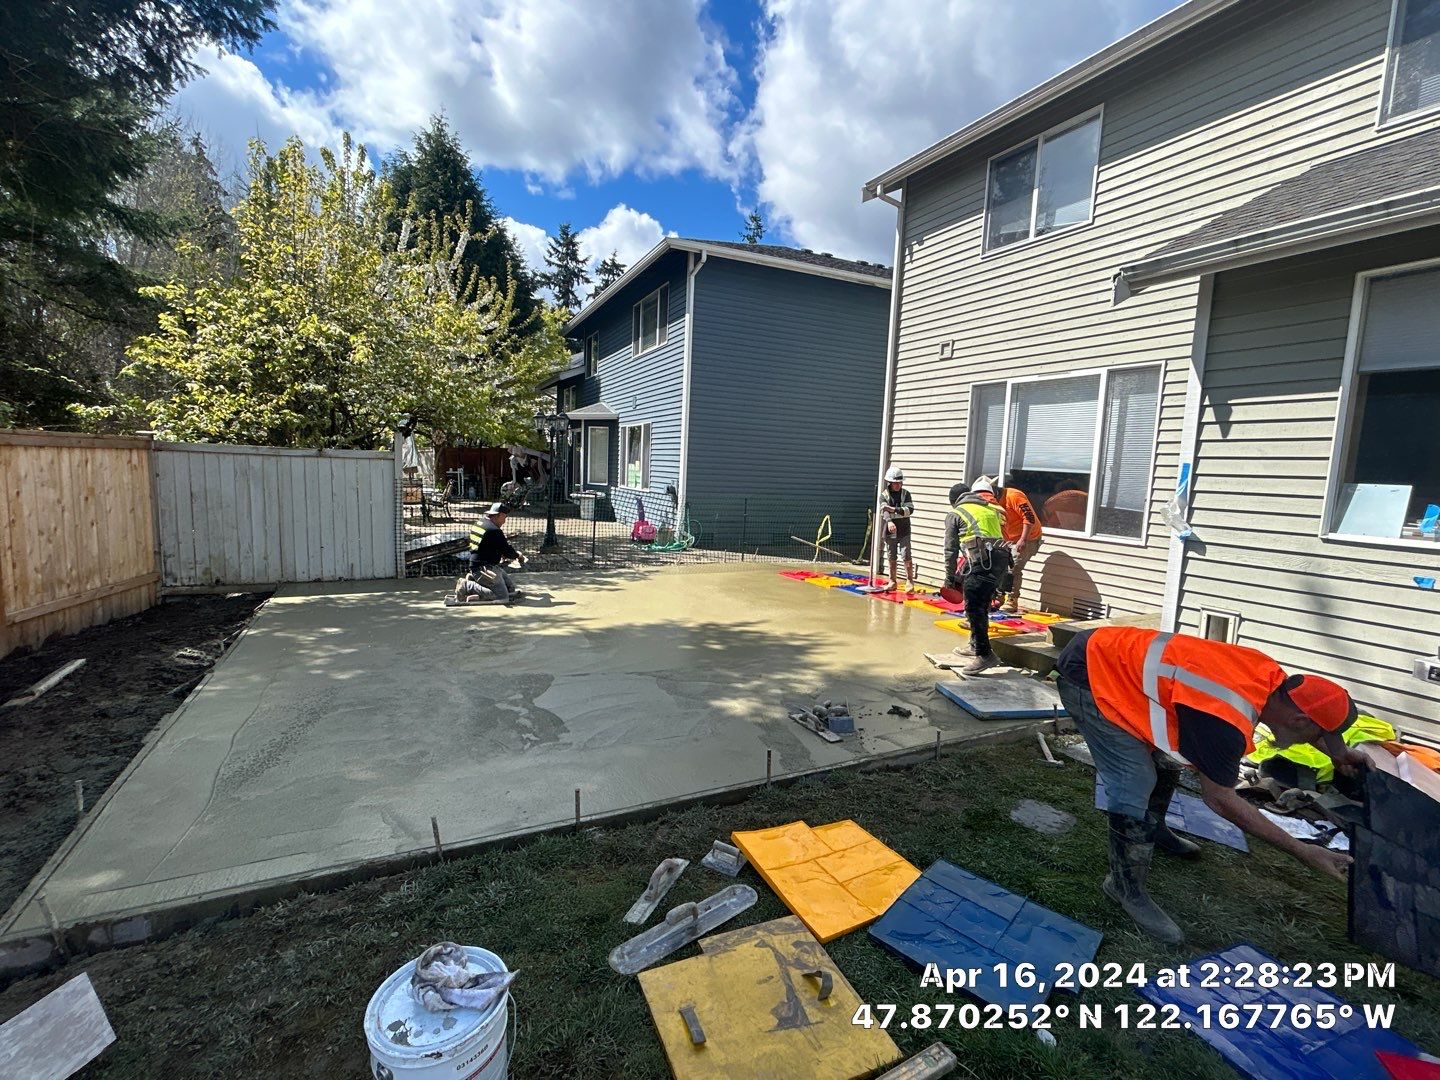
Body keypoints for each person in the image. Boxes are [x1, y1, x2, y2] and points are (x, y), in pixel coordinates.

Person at [1054, 625, 1360, 944]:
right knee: (1134, 780)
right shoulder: (1225, 721)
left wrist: (1339, 754)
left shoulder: (1271, 677)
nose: (1319, 743)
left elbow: (1313, 722)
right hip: (1089, 672)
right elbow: (1221, 800)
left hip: (1118, 661)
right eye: (1320, 737)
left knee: (1167, 757)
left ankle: (1152, 829)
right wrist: (1303, 851)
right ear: (1299, 721)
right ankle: (1123, 886)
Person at [941, 480, 1011, 675]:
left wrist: (949, 578)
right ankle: (974, 645)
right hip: (1002, 560)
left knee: (973, 605)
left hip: (984, 560)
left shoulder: (956, 513)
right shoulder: (989, 509)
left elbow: (950, 550)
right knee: (983, 603)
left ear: (954, 501)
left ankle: (984, 654)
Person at [982, 476, 1041, 613]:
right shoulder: (990, 502)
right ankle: (999, 597)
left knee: (1013, 569)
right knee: (1000, 567)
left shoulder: (1014, 496)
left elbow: (1029, 517)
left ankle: (1012, 600)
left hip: (1028, 536)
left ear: (995, 490)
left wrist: (1023, 539)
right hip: (1008, 538)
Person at [466, 503, 528, 604]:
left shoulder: (480, 523)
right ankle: (468, 586)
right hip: (484, 568)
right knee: (502, 596)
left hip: (483, 565)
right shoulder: (494, 530)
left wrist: (498, 553)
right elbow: (507, 551)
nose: (504, 521)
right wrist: (518, 556)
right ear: (498, 515)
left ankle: (473, 579)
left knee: (510, 588)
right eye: (504, 517)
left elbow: (484, 545)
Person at [879, 466, 916, 593]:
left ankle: (910, 581)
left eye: (900, 482)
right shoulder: (884, 495)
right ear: (890, 482)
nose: (898, 485)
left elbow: (909, 510)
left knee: (906, 554)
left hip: (904, 530)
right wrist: (889, 521)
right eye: (896, 483)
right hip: (890, 531)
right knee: (891, 555)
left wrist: (894, 509)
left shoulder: (906, 494)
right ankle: (892, 581)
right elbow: (884, 510)